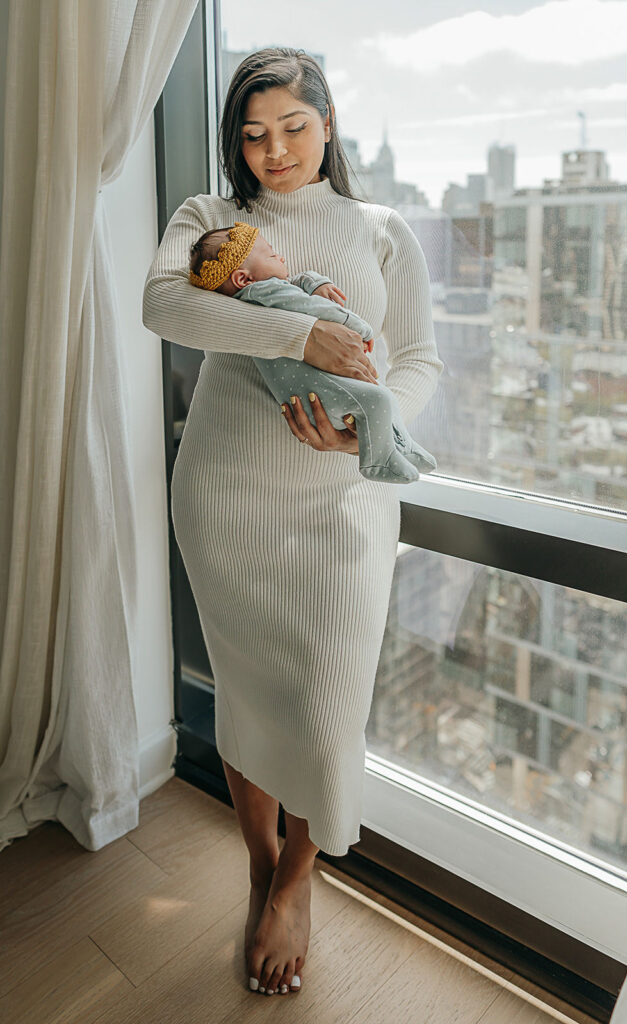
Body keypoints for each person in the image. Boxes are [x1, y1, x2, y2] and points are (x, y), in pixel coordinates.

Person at [142, 45, 444, 1000]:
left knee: (325, 707)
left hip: (345, 502)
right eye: (254, 134)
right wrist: (295, 331)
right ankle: (260, 863)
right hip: (228, 496)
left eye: (294, 129)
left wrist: (363, 426)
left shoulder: (381, 227)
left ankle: (300, 878)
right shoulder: (209, 219)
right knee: (249, 694)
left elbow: (421, 362)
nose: (275, 152)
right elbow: (162, 305)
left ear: (328, 126)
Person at [187, 222, 438, 482]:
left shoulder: (256, 296)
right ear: (243, 278)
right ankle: (379, 459)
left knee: (381, 397)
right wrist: (357, 326)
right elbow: (310, 305)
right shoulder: (262, 290)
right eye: (272, 255)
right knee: (379, 400)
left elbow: (293, 286)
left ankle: (398, 443)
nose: (281, 257)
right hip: (317, 391)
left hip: (305, 396)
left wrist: (314, 281)